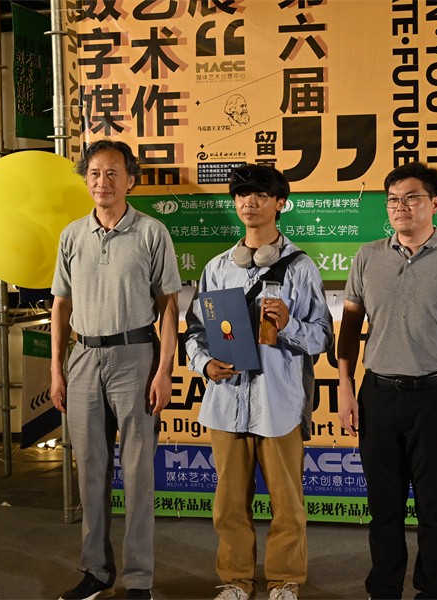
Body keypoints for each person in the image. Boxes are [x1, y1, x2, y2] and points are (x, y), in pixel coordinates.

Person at [336, 162, 437, 599]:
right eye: (393, 200)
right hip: (378, 394)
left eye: (412, 198)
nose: (400, 207)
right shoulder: (368, 256)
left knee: (434, 510)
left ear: (434, 204)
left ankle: (432, 592)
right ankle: (384, 590)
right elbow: (349, 329)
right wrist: (345, 387)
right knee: (383, 509)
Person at [185, 164, 333, 600]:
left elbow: (323, 336)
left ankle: (285, 581)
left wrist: (288, 325)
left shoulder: (300, 267)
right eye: (241, 195)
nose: (249, 202)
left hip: (279, 402)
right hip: (226, 401)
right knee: (229, 504)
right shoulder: (217, 268)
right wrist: (204, 364)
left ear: (279, 203)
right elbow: (194, 332)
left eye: (260, 195)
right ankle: (235, 580)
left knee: (287, 504)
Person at [51, 139, 182, 600]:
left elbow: (169, 306)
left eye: (112, 173)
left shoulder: (152, 232)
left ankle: (139, 579)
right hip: (84, 358)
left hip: (136, 357)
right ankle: (96, 571)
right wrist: (57, 369)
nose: (102, 181)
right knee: (90, 471)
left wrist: (164, 371)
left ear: (131, 179)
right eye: (94, 173)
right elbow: (61, 305)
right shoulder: (72, 235)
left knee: (138, 473)